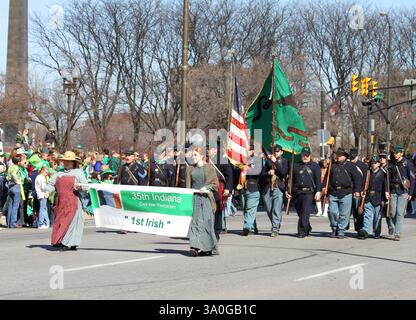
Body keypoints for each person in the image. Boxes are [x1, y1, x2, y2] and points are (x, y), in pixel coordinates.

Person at [44, 151, 89, 251]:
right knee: (61, 221)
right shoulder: (59, 173)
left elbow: (86, 187)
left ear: (73, 162)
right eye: (65, 161)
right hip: (61, 201)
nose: (66, 163)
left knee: (72, 222)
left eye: (69, 161)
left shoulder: (78, 173)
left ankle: (69, 243)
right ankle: (59, 240)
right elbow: (51, 184)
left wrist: (79, 187)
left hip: (73, 201)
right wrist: (47, 191)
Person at [186, 147, 219, 257]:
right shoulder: (190, 169)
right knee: (195, 222)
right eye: (192, 155)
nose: (193, 157)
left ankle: (207, 247)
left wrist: (207, 187)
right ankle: (194, 246)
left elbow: (215, 184)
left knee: (205, 222)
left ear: (202, 156)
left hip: (206, 199)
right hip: (194, 198)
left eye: (195, 155)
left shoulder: (209, 168)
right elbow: (188, 186)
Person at [323, 148, 362, 239]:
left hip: (346, 192)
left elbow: (358, 178)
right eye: (337, 155)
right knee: (332, 211)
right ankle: (334, 228)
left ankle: (341, 230)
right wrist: (324, 187)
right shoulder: (332, 165)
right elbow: (326, 177)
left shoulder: (351, 166)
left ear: (345, 156)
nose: (338, 157)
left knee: (344, 214)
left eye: (340, 155)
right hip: (333, 192)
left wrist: (357, 190)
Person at [288, 147, 321, 238]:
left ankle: (301, 231)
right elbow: (290, 180)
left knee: (305, 212)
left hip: (309, 193)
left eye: (307, 155)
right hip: (297, 192)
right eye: (303, 155)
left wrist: (318, 191)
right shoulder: (295, 165)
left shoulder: (315, 166)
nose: (305, 157)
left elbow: (318, 180)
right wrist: (288, 191)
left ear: (310, 155)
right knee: (301, 213)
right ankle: (307, 227)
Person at [386, 144, 415, 241]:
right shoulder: (391, 163)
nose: (395, 154)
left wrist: (410, 193)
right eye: (394, 152)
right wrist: (387, 190)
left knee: (399, 213)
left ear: (401, 153)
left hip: (403, 191)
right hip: (393, 190)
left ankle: (397, 233)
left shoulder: (408, 163)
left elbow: (412, 178)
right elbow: (388, 179)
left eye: (397, 153)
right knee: (393, 213)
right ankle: (393, 228)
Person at [261, 144, 288, 237]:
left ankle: (275, 228)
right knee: (269, 209)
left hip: (278, 187)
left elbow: (283, 172)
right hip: (268, 186)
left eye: (278, 151)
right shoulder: (268, 162)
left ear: (281, 152)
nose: (276, 153)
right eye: (275, 151)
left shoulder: (284, 161)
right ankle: (276, 222)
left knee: (276, 209)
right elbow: (262, 174)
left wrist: (275, 162)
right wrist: (268, 172)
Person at [208, 140, 233, 240]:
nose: (208, 151)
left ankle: (217, 230)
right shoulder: (206, 160)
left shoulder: (222, 159)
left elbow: (229, 175)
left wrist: (228, 188)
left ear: (215, 150)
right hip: (207, 186)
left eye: (209, 149)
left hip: (219, 187)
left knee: (218, 209)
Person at [358, 155, 386, 239]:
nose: (373, 164)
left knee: (377, 217)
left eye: (375, 163)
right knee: (367, 215)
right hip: (368, 196)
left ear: (378, 164)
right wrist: (362, 191)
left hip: (378, 197)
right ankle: (365, 230)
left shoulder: (383, 174)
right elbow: (363, 183)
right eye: (372, 163)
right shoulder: (368, 173)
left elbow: (385, 187)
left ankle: (377, 232)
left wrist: (383, 199)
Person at [242, 144, 262, 236]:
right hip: (242, 188)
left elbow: (257, 171)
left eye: (249, 150)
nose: (247, 152)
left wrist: (246, 169)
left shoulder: (257, 160)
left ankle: (247, 227)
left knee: (250, 209)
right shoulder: (241, 161)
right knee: (246, 209)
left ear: (253, 151)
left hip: (253, 188)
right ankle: (253, 228)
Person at [349, 148, 368, 234]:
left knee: (358, 211)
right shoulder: (347, 164)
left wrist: (362, 190)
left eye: (353, 157)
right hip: (348, 190)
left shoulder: (363, 166)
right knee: (348, 211)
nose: (352, 159)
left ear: (357, 156)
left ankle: (359, 228)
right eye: (351, 157)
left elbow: (365, 179)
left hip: (359, 191)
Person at [6, 157, 23, 228]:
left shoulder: (10, 167)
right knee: (15, 206)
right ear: (18, 162)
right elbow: (14, 174)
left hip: (10, 186)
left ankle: (8, 223)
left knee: (10, 206)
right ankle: (13, 223)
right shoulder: (16, 167)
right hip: (16, 186)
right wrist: (17, 182)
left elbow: (7, 176)